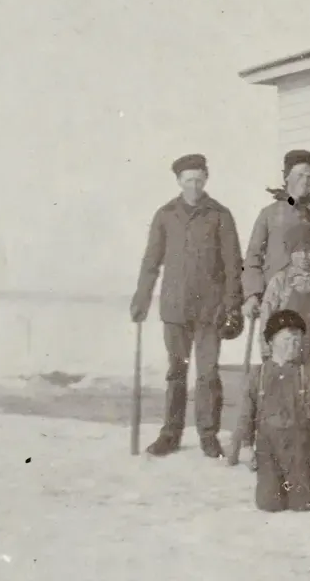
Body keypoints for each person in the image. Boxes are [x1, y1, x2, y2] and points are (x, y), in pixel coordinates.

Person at [130, 153, 243, 458]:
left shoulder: (220, 215)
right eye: (188, 180)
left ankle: (208, 434)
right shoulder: (165, 214)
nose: (194, 185)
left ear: (206, 179)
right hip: (175, 308)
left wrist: (233, 304)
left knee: (208, 374)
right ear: (179, 181)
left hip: (210, 310)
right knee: (176, 372)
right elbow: (151, 261)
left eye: (199, 179)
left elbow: (234, 263)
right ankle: (171, 433)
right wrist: (142, 298)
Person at [254, 221, 310, 496]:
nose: (305, 256)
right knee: (291, 415)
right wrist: (268, 352)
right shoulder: (280, 281)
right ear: (290, 252)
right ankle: (288, 475)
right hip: (289, 358)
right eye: (299, 250)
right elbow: (267, 318)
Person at [227, 310, 310, 513]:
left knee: (303, 504)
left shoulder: (307, 373)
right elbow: (246, 414)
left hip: (298, 447)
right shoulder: (259, 374)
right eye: (286, 339)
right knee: (269, 504)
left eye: (297, 339)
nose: (293, 345)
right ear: (271, 341)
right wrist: (245, 445)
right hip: (268, 446)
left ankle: (302, 484)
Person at [241, 149, 310, 324]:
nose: (305, 181)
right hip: (275, 300)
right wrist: (252, 294)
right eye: (300, 175)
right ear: (287, 176)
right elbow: (253, 257)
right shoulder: (269, 214)